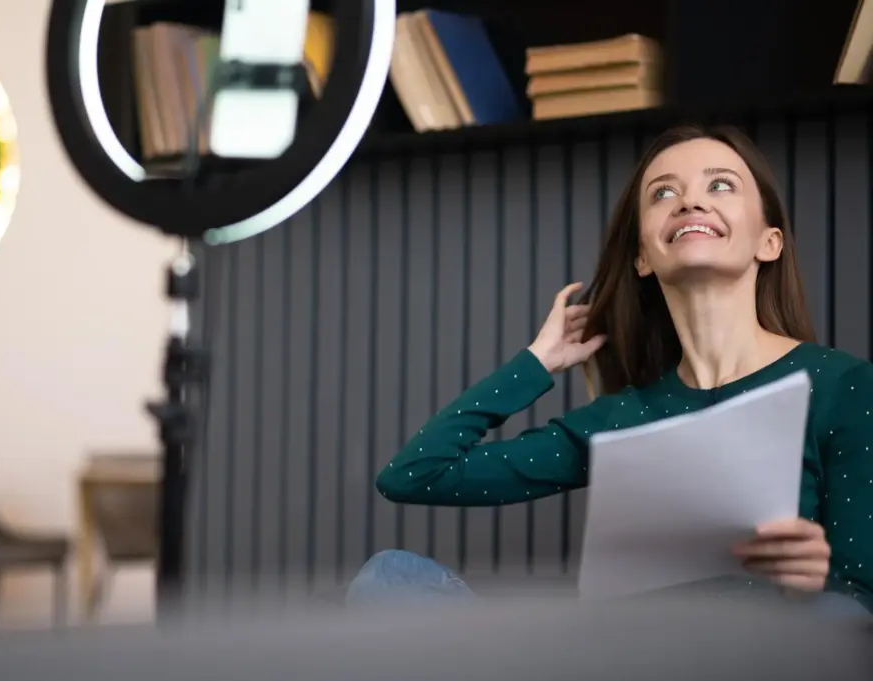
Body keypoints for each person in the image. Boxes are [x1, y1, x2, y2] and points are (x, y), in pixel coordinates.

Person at [348, 124, 872, 618]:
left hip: (770, 655)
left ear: (768, 242)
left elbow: (860, 605)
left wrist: (807, 583)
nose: (690, 201)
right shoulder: (619, 418)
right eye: (663, 193)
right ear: (643, 256)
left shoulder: (843, 387)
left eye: (720, 185)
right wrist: (536, 363)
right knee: (389, 578)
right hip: (626, 655)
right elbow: (412, 475)